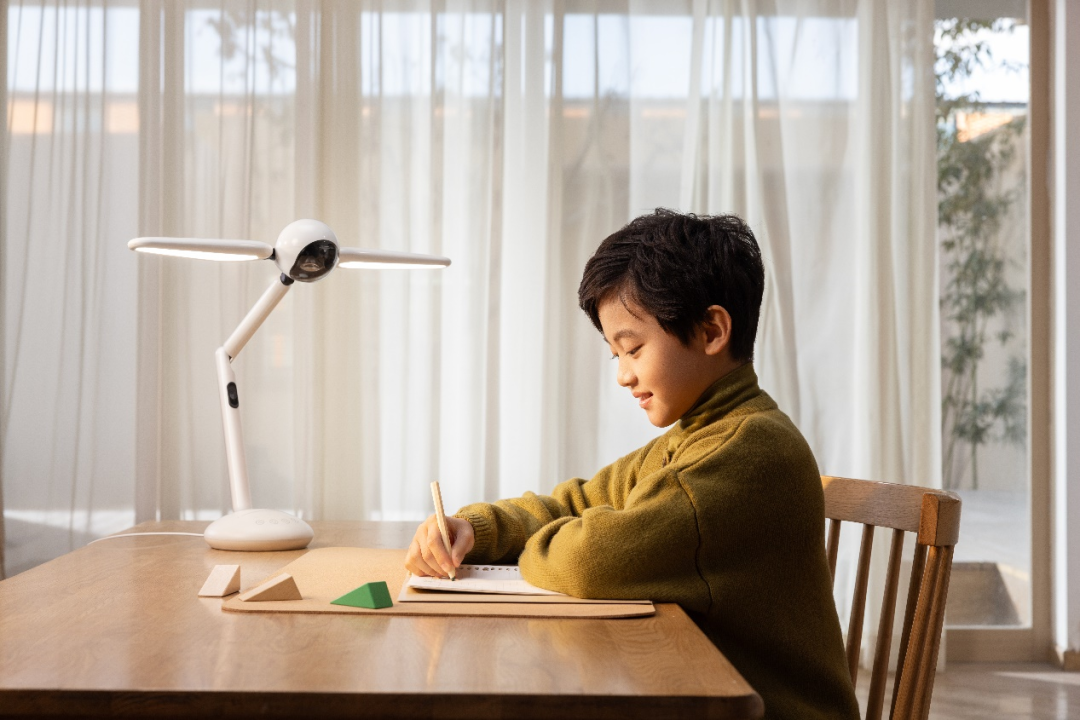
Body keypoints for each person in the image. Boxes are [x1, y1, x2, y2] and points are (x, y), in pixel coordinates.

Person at [405, 209, 860, 720]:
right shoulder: (700, 434)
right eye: (614, 355)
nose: (623, 376)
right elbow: (577, 502)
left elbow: (591, 559)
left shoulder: (746, 453)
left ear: (712, 330)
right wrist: (478, 528)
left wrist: (541, 541)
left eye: (633, 348)